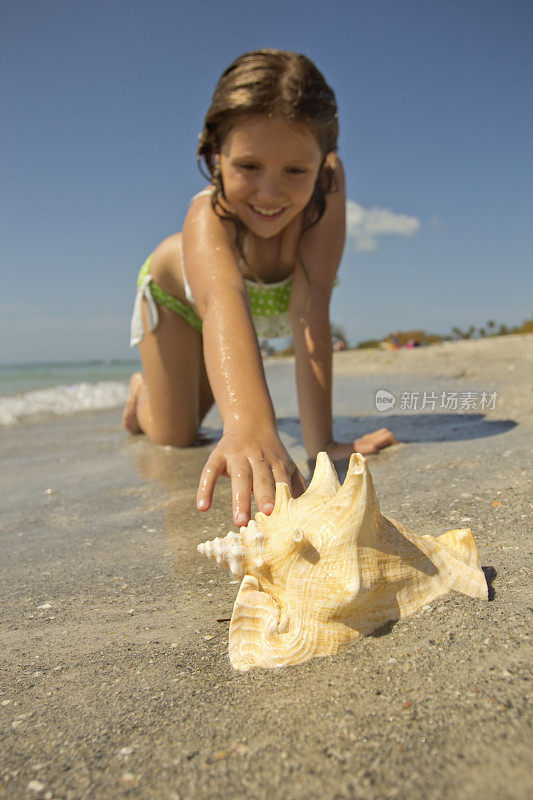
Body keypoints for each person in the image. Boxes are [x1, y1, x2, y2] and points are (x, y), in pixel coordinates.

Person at [124, 49, 397, 528]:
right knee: (175, 435)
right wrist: (250, 428)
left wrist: (322, 448)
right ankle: (143, 394)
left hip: (225, 322)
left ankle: (186, 380)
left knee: (216, 391)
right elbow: (220, 304)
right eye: (248, 166)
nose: (270, 195)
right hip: (181, 301)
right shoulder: (208, 219)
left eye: (295, 171)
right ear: (216, 156)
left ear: (323, 165)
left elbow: (310, 308)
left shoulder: (326, 194)